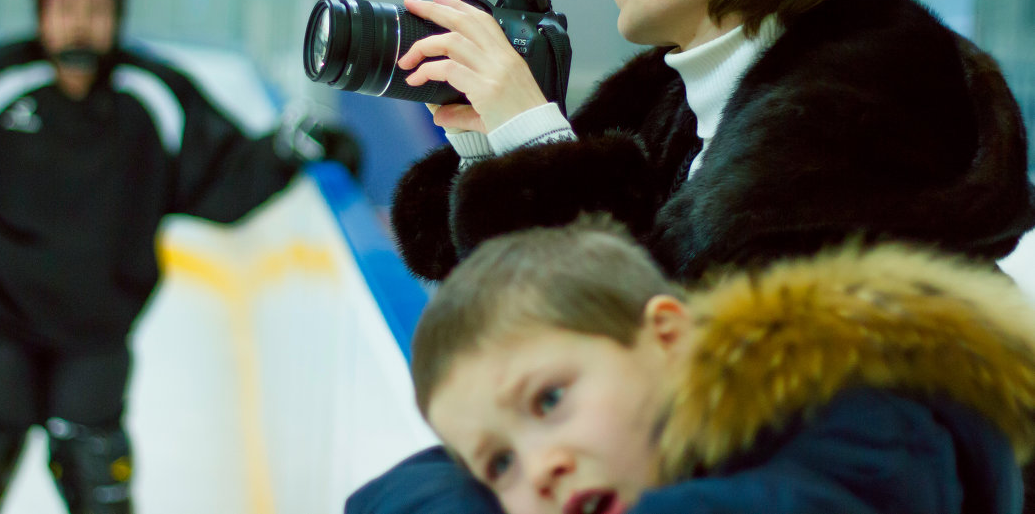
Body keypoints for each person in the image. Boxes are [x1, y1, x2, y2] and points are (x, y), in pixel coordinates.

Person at [348, 0, 1035, 512]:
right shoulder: (678, 101)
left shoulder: (872, 111)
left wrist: (533, 144)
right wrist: (499, 146)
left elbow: (673, 379)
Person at [0, 0, 360, 514]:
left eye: (96, 11)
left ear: (117, 18)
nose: (81, 26)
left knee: (98, 474)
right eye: (66, 9)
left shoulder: (155, 94)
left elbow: (224, 180)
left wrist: (286, 149)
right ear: (42, 15)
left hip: (96, 329)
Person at [412, 219, 1035, 514]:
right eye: (499, 464)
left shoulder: (867, 417)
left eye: (549, 401)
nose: (541, 470)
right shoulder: (638, 458)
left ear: (668, 336)